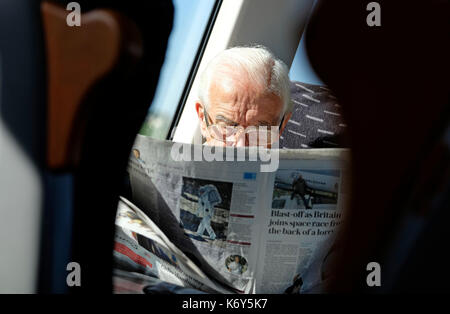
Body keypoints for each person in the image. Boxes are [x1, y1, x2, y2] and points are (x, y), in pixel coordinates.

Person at [195, 46, 292, 147]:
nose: (240, 146)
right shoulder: (179, 160)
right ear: (202, 118)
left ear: (281, 126)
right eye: (227, 127)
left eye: (258, 132)